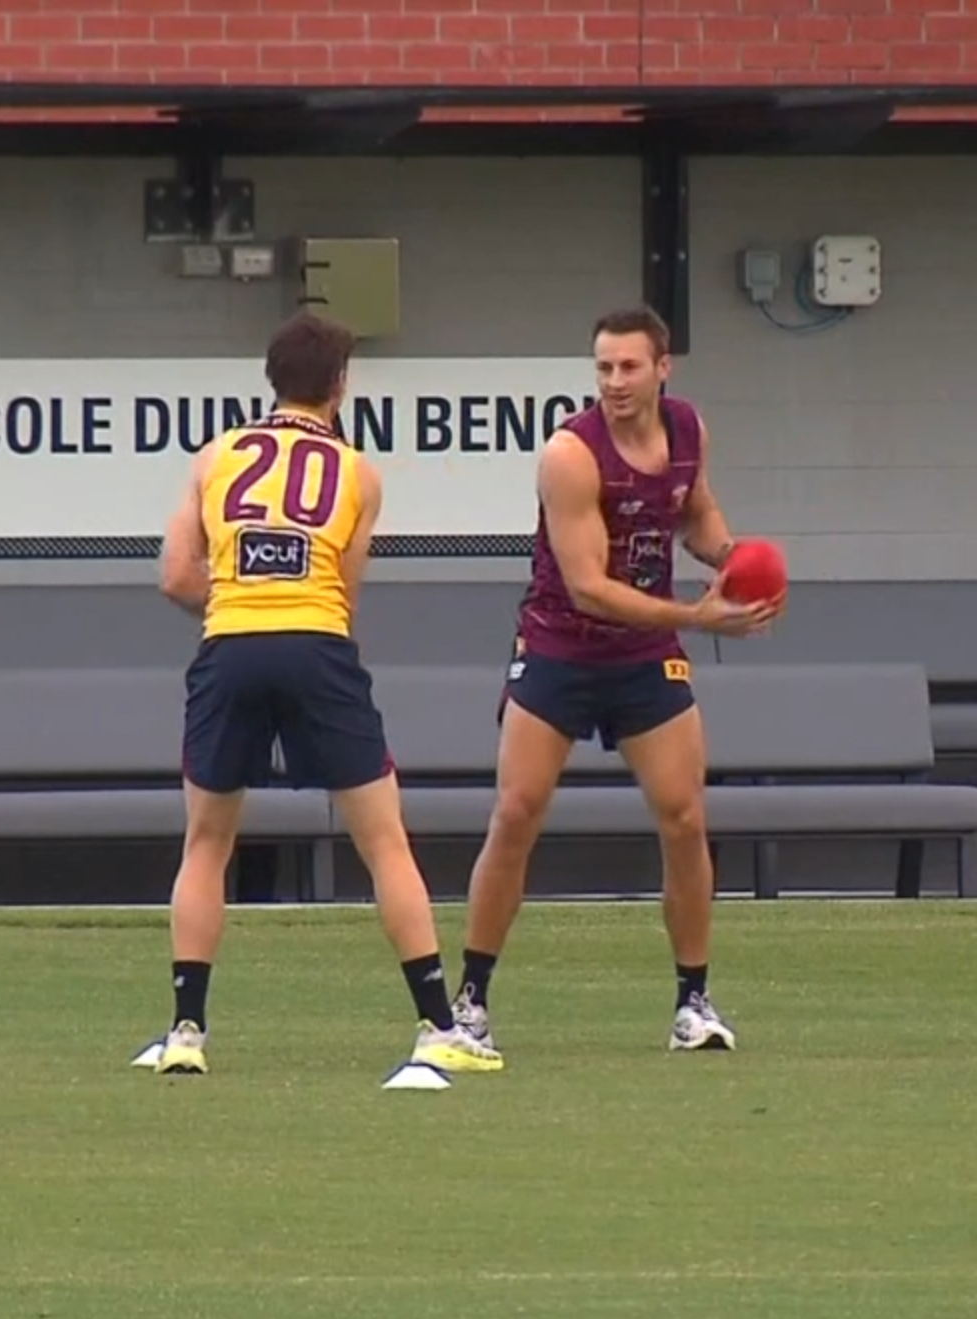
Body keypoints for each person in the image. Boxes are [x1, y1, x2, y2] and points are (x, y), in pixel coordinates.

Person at [154, 310, 502, 1077]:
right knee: (384, 842)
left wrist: (241, 594)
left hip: (230, 644)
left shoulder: (215, 457)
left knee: (206, 843)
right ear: (340, 387)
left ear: (271, 380)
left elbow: (177, 575)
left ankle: (185, 1031)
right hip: (315, 646)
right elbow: (342, 593)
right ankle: (437, 1023)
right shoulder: (359, 473)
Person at [451, 304, 782, 1056]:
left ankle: (693, 1003)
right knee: (516, 812)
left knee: (685, 817)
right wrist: (701, 618)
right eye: (603, 367)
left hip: (645, 654)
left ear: (663, 368)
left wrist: (734, 560)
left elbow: (694, 513)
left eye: (629, 366)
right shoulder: (571, 453)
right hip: (560, 646)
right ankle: (470, 1001)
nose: (614, 381)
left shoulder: (689, 429)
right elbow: (589, 587)